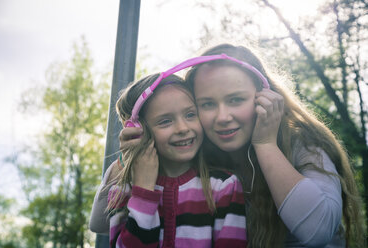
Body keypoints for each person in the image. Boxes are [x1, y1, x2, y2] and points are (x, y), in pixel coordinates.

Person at [116, 44, 365, 247]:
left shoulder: (302, 142)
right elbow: (99, 223)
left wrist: (265, 143)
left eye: (236, 99)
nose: (223, 117)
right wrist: (132, 156)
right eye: (207, 104)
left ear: (265, 97)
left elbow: (318, 231)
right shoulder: (201, 155)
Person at [101, 73, 248, 247]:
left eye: (190, 115)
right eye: (165, 121)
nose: (183, 128)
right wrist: (143, 191)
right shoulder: (121, 193)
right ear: (137, 131)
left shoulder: (224, 186)